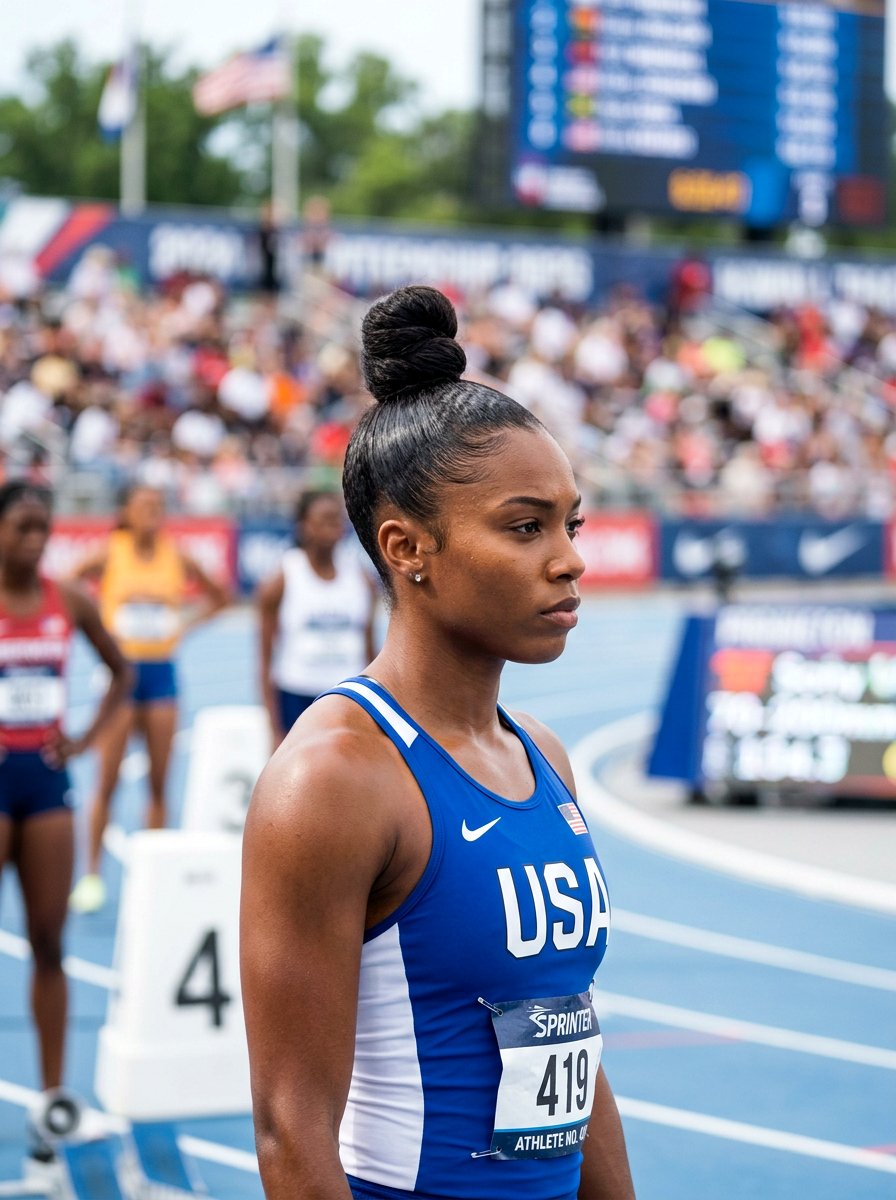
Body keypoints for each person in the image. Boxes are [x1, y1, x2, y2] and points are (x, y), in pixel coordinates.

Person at [241, 286, 636, 1200]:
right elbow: (289, 1130)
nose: (570, 558)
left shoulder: (543, 757)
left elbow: (568, 1040)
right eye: (525, 527)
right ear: (406, 547)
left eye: (571, 523)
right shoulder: (333, 779)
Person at [0, 483, 131, 1163]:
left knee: (50, 944)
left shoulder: (68, 600)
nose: (34, 539)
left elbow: (121, 671)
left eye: (41, 528)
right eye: (21, 527)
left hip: (46, 787)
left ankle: (53, 1101)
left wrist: (82, 741)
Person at [68, 484, 230, 913]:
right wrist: (99, 628)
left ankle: (154, 876)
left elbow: (221, 596)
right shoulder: (109, 553)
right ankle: (91, 875)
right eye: (144, 507)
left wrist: (185, 628)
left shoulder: (177, 556)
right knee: (107, 781)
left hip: (161, 676)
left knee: (159, 782)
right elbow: (65, 588)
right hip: (119, 678)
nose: (153, 513)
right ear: (126, 512)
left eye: (158, 506)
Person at [256, 490, 378, 746]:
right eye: (323, 520)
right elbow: (265, 660)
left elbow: (371, 649)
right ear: (303, 526)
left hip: (348, 696)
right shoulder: (281, 579)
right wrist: (273, 727)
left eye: (337, 519)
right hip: (296, 696)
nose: (333, 526)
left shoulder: (361, 578)